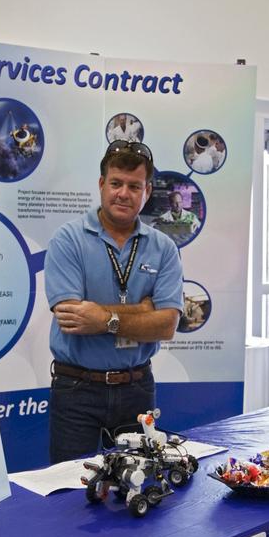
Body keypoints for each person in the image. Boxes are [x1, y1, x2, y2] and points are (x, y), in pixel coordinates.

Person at [43, 141, 184, 463]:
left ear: (147, 191)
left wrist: (104, 318)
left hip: (137, 387)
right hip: (77, 388)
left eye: (134, 186)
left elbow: (166, 325)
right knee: (71, 489)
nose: (124, 193)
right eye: (116, 183)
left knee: (138, 484)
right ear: (101, 184)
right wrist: (144, 311)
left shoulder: (163, 248)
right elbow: (73, 318)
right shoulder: (68, 239)